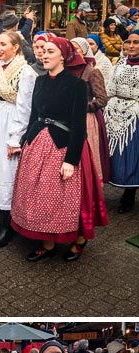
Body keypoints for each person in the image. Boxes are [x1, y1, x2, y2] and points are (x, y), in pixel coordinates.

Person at [10, 36, 108, 261]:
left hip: (65, 145)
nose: (43, 54)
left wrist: (71, 160)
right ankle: (48, 243)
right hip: (38, 143)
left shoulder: (76, 85)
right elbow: (34, 115)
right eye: (42, 51)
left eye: (49, 51)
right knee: (38, 194)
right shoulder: (40, 81)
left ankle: (79, 240)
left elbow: (79, 126)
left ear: (63, 56)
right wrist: (25, 141)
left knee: (68, 197)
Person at [0, 31, 35, 249]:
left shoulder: (25, 71)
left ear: (16, 47)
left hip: (11, 120)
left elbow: (25, 108)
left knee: (7, 168)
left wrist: (15, 138)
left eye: (4, 44)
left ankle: (10, 223)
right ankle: (0, 214)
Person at [106, 31, 139, 214]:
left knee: (131, 155)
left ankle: (129, 193)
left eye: (136, 42)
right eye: (129, 42)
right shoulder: (120, 63)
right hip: (114, 111)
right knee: (115, 154)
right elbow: (111, 86)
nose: (132, 46)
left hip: (134, 115)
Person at [70, 37, 111, 184]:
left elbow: (102, 99)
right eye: (71, 47)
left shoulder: (92, 72)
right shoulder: (65, 70)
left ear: (85, 51)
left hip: (86, 120)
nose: (73, 51)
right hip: (67, 119)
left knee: (86, 157)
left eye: (77, 48)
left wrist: (81, 107)